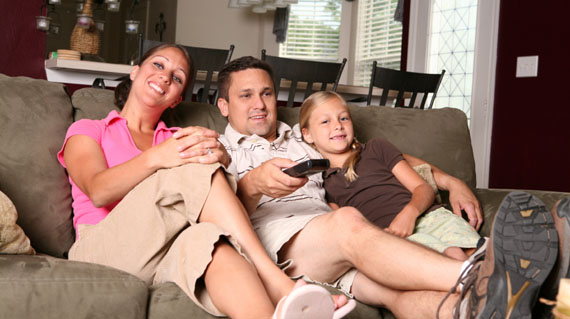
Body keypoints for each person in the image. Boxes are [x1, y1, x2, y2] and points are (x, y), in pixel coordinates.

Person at [215, 55, 562, 318]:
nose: (259, 104)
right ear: (224, 106)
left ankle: (484, 307)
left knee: (396, 294)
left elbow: (377, 155)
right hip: (285, 246)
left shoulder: (306, 137)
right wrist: (253, 185)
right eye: (245, 96)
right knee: (348, 220)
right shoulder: (218, 149)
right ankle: (484, 274)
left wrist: (450, 180)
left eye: (266, 93)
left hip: (342, 245)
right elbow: (215, 217)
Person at [57, 44, 355, 319]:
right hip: (101, 248)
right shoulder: (90, 129)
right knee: (195, 168)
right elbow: (97, 190)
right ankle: (278, 282)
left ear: (177, 98)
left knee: (214, 243)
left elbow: (214, 200)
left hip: (164, 250)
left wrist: (223, 163)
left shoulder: (178, 139)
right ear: (135, 71)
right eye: (158, 65)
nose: (165, 77)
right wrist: (159, 157)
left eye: (177, 77)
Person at [298, 91, 482, 261]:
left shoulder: (376, 148)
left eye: (343, 118)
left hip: (430, 217)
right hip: (392, 237)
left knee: (477, 253)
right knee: (452, 256)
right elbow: (344, 226)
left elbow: (422, 188)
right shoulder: (322, 182)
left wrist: (409, 214)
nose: (338, 126)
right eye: (325, 121)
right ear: (307, 135)